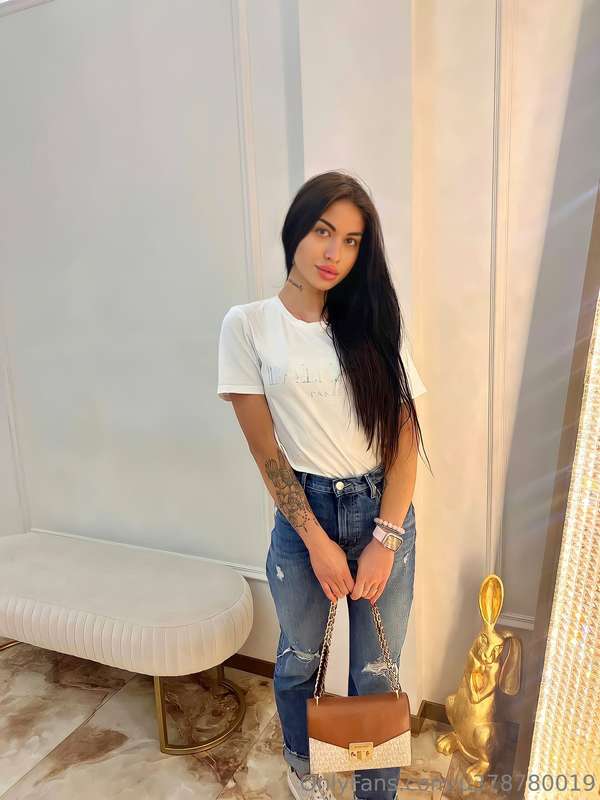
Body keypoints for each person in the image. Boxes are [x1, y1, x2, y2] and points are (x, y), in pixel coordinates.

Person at [217, 171, 430, 800]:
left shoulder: (373, 323)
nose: (334, 253)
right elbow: (267, 453)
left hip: (382, 510)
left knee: (376, 670)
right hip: (303, 512)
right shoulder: (248, 326)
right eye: (322, 231)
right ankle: (304, 766)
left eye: (352, 241)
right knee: (299, 660)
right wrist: (316, 540)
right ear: (296, 231)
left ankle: (374, 791)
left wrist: (386, 537)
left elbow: (405, 442)